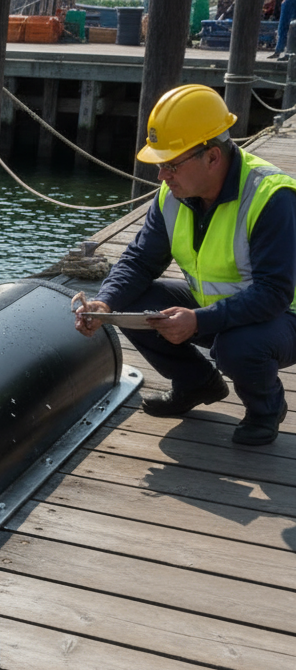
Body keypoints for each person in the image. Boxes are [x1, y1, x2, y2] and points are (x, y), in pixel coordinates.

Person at [75, 84, 296, 445]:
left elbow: (274, 294)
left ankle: (266, 408)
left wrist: (199, 321)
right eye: (160, 164)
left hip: (284, 317)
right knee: (129, 302)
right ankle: (197, 383)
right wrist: (106, 302)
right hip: (217, 307)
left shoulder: (272, 196)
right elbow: (139, 261)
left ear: (212, 157)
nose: (162, 175)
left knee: (238, 346)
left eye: (171, 164)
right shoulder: (172, 194)